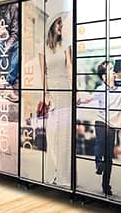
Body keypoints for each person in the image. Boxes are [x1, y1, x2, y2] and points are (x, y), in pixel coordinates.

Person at [78, 61, 121, 196]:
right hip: (101, 121)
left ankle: (106, 184)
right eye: (110, 69)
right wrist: (78, 100)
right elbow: (88, 99)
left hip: (113, 125)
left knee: (109, 157)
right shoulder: (100, 89)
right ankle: (98, 163)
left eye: (113, 69)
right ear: (104, 76)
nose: (113, 71)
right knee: (100, 143)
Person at [42, 12, 73, 187]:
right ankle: (52, 172)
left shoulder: (66, 44)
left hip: (65, 92)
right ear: (51, 25)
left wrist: (74, 90)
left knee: (65, 137)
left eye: (62, 23)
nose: (61, 26)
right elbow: (43, 72)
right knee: (51, 136)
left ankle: (64, 177)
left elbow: (69, 67)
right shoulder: (43, 48)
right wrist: (46, 95)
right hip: (52, 94)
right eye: (58, 23)